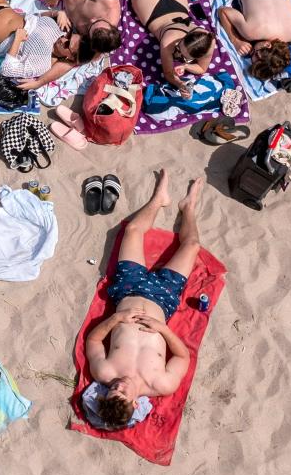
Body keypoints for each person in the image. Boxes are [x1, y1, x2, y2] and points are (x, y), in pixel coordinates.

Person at [83, 170, 203, 430]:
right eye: (122, 393)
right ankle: (188, 207)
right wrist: (162, 329)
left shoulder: (104, 373)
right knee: (192, 246)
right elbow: (183, 358)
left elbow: (92, 339)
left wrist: (116, 318)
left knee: (134, 230)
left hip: (128, 290)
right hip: (163, 300)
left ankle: (159, 200)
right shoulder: (161, 384)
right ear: (135, 404)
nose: (119, 386)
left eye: (112, 390)